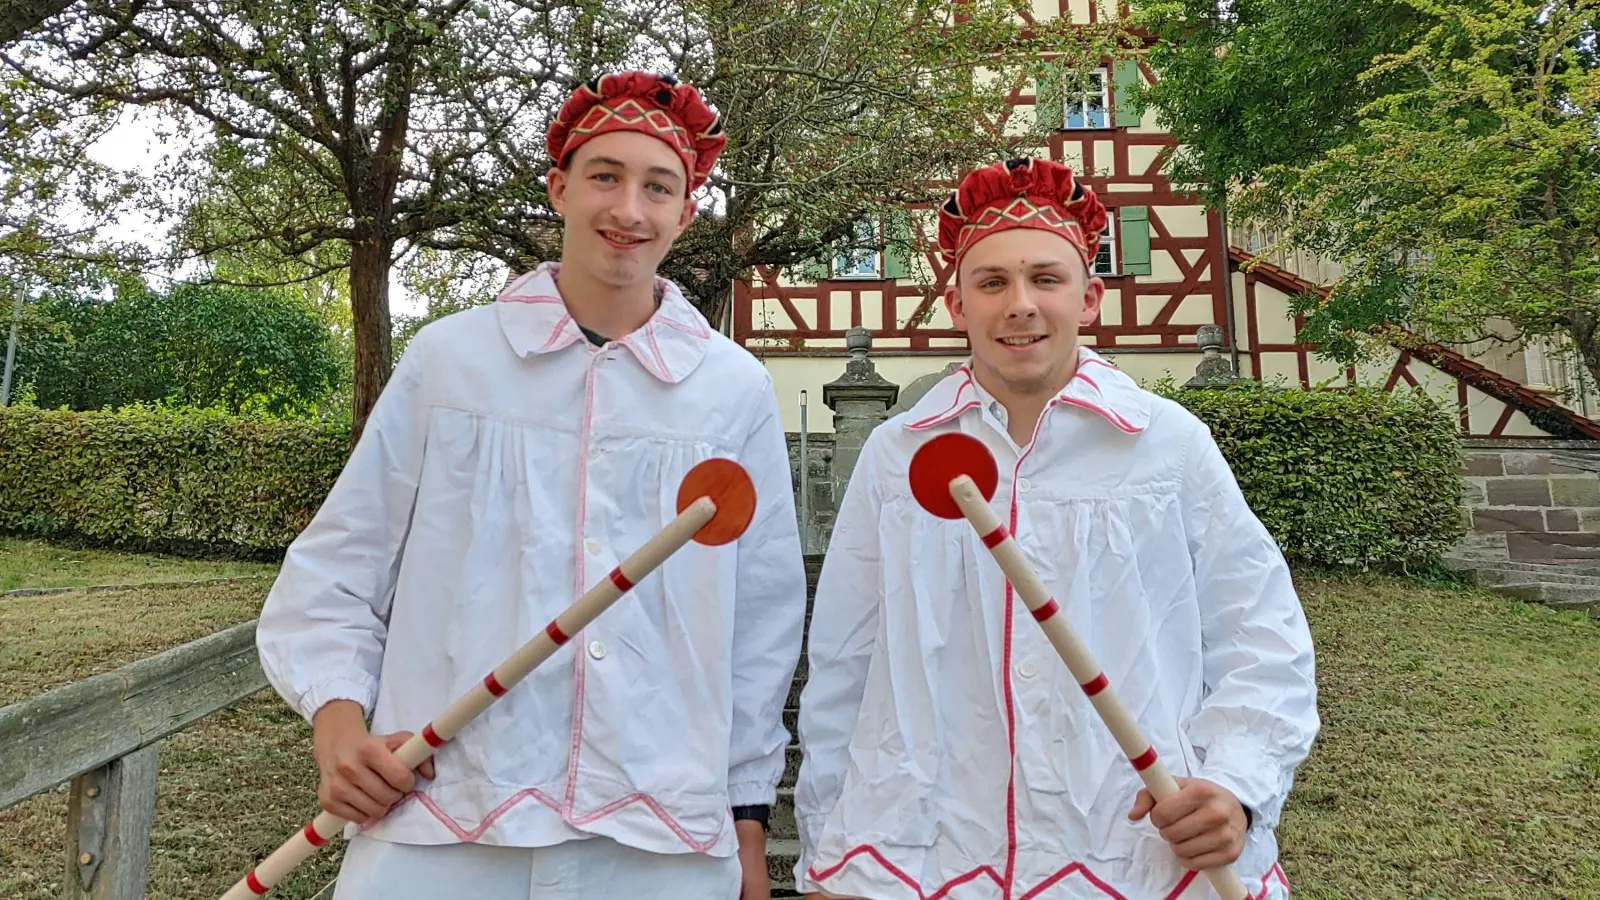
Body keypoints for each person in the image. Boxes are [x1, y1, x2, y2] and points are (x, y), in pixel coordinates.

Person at [255, 71, 806, 900]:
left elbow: (760, 624)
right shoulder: (450, 362)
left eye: (659, 187)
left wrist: (745, 825)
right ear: (558, 187)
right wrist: (338, 726)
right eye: (605, 177)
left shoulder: (732, 390)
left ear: (686, 212)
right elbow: (338, 568)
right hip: (444, 815)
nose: (629, 209)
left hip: (659, 835)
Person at [792, 157, 1319, 899]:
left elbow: (1261, 633)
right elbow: (845, 663)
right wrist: (828, 849)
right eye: (992, 282)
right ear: (956, 304)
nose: (1020, 305)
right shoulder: (897, 453)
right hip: (924, 857)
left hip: (1130, 853)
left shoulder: (1166, 445)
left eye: (1046, 278)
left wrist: (1236, 785)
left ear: (1090, 296)